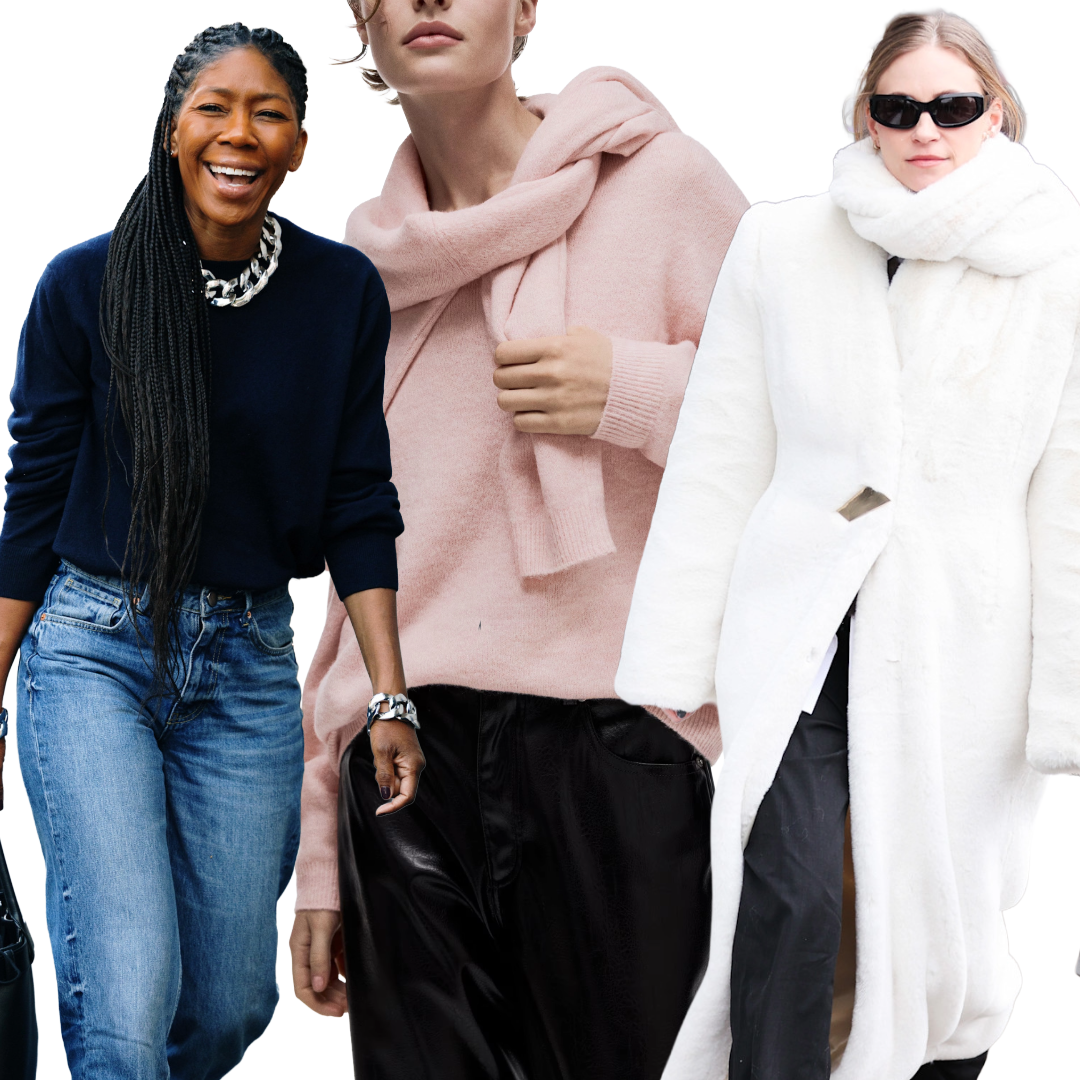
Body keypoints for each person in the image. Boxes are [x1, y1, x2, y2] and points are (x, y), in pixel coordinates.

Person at [616, 10, 1080, 1080]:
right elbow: (722, 451)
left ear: (996, 112)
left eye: (955, 107)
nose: (927, 129)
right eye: (899, 106)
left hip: (966, 631)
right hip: (800, 609)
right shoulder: (784, 242)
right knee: (791, 880)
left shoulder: (1054, 259)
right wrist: (675, 650)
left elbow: (1066, 496)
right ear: (863, 115)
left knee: (935, 908)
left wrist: (1063, 698)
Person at [288, 1, 748, 1077]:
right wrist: (320, 857)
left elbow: (820, 434)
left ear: (527, 7)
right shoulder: (363, 284)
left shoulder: (663, 185)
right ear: (365, 16)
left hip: (615, 741)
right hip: (404, 764)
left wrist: (628, 388)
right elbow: (352, 593)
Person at [0, 23, 407, 1080]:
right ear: (173, 129)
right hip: (92, 647)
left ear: (301, 146)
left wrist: (390, 697)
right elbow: (31, 503)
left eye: (268, 112)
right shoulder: (83, 287)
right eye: (214, 108)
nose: (239, 133)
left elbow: (361, 497)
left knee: (227, 1002)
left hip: (246, 663)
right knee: (126, 1000)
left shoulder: (340, 295)